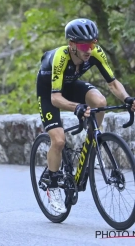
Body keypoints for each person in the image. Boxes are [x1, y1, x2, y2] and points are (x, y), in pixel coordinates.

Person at [36, 18, 135, 213]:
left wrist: (127, 99)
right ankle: (53, 185)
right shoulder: (60, 58)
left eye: (92, 43)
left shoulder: (94, 53)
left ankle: (93, 140)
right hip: (50, 93)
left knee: (100, 102)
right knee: (59, 141)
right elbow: (56, 98)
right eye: (83, 45)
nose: (88, 49)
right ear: (71, 44)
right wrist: (76, 107)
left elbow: (113, 84)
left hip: (71, 85)